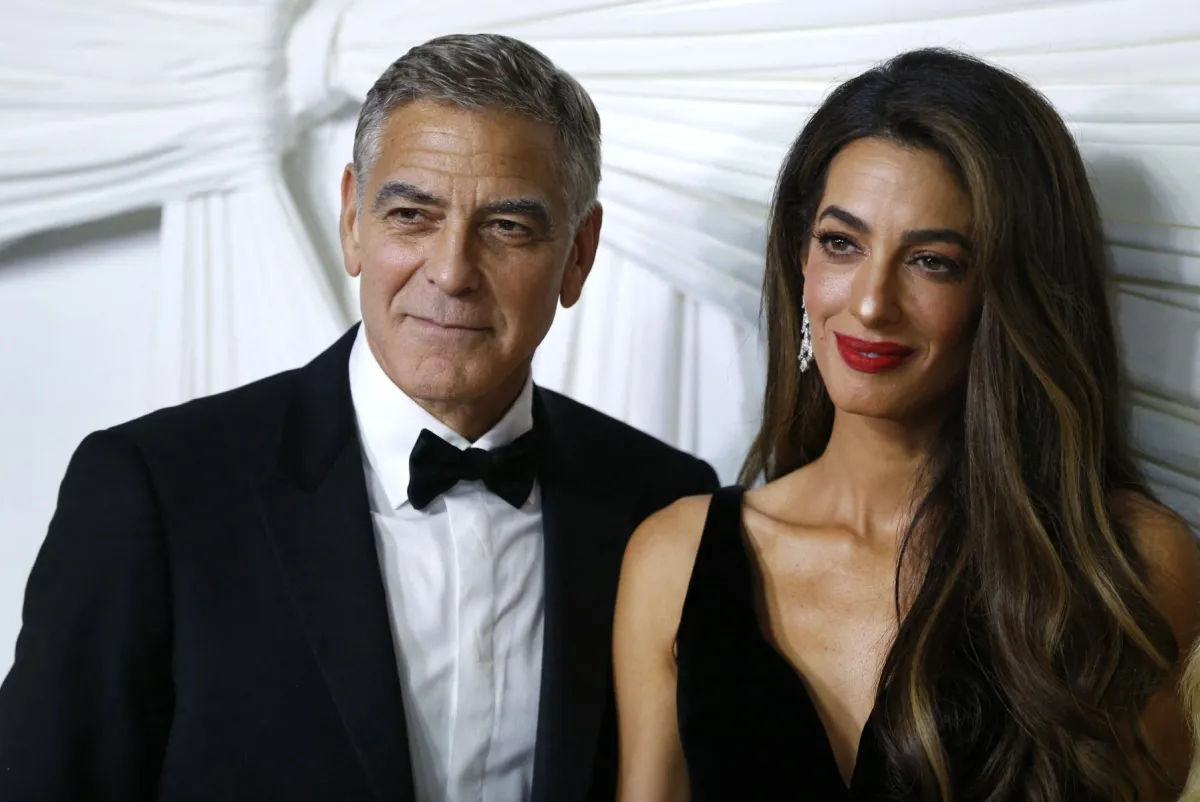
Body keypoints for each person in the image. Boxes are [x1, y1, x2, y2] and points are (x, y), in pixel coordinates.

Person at [0, 34, 718, 802]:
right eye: (412, 215)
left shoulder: (667, 505)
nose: (450, 271)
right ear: (352, 220)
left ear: (578, 253)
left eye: (507, 227)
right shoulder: (154, 490)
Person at [613, 48, 1200, 801]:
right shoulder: (674, 558)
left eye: (933, 260)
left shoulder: (1128, 566)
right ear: (800, 261)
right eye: (841, 244)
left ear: (1010, 292)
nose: (870, 303)